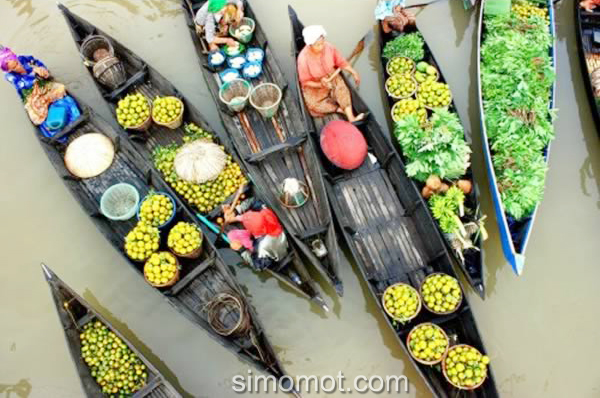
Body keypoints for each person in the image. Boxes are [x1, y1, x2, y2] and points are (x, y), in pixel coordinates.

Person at [1, 45, 80, 138]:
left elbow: (36, 62)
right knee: (36, 117)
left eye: (17, 63)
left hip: (41, 85)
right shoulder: (10, 76)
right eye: (14, 67)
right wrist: (33, 72)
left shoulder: (23, 58)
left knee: (61, 88)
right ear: (9, 69)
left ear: (15, 56)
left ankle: (53, 104)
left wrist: (43, 69)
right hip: (31, 94)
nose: (18, 66)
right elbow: (23, 84)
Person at [297, 25, 365, 123]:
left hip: (330, 75)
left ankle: (351, 118)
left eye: (322, 43)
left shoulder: (329, 47)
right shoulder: (303, 59)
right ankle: (339, 110)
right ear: (310, 45)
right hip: (314, 84)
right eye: (317, 45)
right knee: (313, 106)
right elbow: (305, 82)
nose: (321, 47)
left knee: (342, 89)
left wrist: (353, 72)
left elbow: (341, 62)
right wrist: (320, 84)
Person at [223, 199, 288, 271]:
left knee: (232, 236)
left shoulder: (260, 247)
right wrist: (236, 211)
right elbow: (253, 201)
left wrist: (242, 249)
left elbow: (257, 265)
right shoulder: (266, 213)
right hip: (281, 240)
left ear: (253, 232)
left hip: (275, 255)